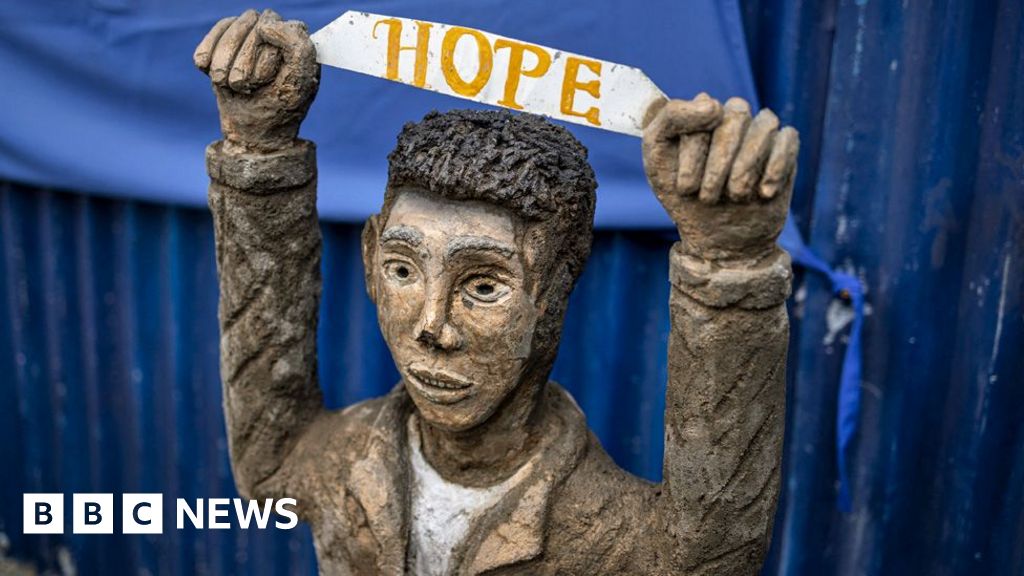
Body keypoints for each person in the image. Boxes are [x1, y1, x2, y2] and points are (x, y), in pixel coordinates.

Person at [195, 9, 798, 575]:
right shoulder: (342, 463)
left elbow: (709, 558)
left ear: (555, 290)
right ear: (371, 256)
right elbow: (269, 458)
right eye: (403, 270)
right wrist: (258, 152)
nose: (432, 326)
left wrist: (729, 266)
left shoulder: (606, 530)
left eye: (483, 285)